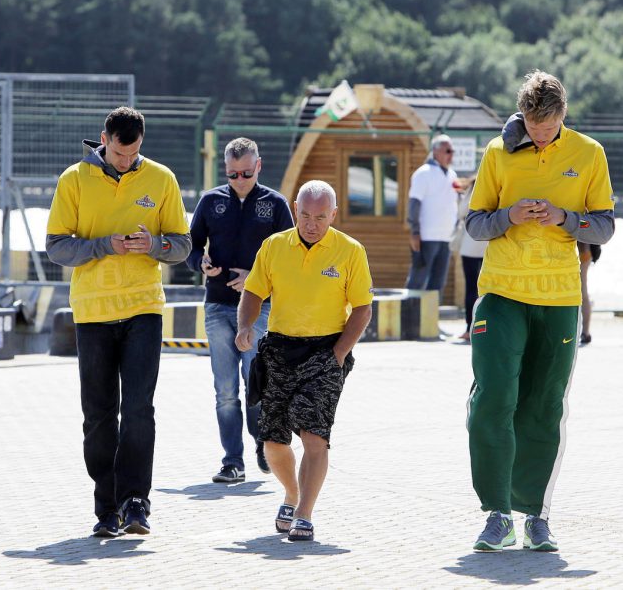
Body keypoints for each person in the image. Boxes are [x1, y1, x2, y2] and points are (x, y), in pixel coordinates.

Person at [465, 71, 614, 553]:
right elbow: (474, 224)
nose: (539, 135)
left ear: (563, 116)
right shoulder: (496, 152)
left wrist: (564, 219)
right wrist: (507, 216)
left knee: (544, 408)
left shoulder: (589, 154)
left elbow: (606, 227)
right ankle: (495, 514)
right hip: (502, 293)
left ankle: (535, 515)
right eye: (531, 126)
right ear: (523, 115)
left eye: (547, 128)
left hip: (559, 299)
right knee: (492, 400)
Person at [46, 106, 191, 537]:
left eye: (134, 154)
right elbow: (56, 247)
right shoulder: (73, 179)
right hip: (92, 312)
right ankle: (105, 505)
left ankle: (136, 503)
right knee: (98, 415)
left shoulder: (162, 179)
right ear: (103, 138)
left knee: (140, 409)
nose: (127, 161)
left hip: (144, 307)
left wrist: (155, 244)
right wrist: (103, 246)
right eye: (120, 152)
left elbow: (182, 246)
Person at [236, 180, 373, 541]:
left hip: (327, 349)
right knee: (273, 441)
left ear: (334, 215)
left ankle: (305, 514)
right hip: (280, 349)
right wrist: (245, 326)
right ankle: (292, 494)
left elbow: (362, 308)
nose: (312, 224)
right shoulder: (275, 246)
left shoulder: (350, 251)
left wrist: (338, 354)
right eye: (306, 215)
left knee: (314, 434)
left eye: (321, 217)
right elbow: (253, 291)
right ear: (295, 209)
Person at [187, 138, 293, 484]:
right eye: (232, 175)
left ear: (259, 166)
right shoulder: (210, 201)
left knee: (256, 381)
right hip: (218, 305)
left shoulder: (275, 205)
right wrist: (200, 263)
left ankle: (263, 443)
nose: (240, 180)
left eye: (246, 173)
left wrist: (254, 278)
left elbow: (290, 259)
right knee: (225, 389)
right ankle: (233, 460)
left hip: (260, 308)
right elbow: (191, 246)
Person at [405, 134, 458, 294]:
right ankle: (408, 317)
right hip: (426, 236)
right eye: (447, 151)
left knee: (438, 283)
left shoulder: (452, 175)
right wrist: (414, 232)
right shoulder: (423, 173)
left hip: (446, 237)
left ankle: (430, 318)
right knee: (418, 279)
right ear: (435, 151)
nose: (451, 155)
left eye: (452, 151)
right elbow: (414, 204)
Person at [452, 175, 488, 341]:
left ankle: (469, 328)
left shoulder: (473, 189)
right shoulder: (494, 186)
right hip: (489, 244)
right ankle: (485, 328)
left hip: (470, 245)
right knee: (488, 290)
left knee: (471, 289)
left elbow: (461, 212)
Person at [577, 242, 601, 344]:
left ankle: (585, 331)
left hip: (581, 253)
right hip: (584, 253)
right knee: (583, 293)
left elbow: (584, 227)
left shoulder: (582, 224)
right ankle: (585, 332)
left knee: (582, 293)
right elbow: (585, 227)